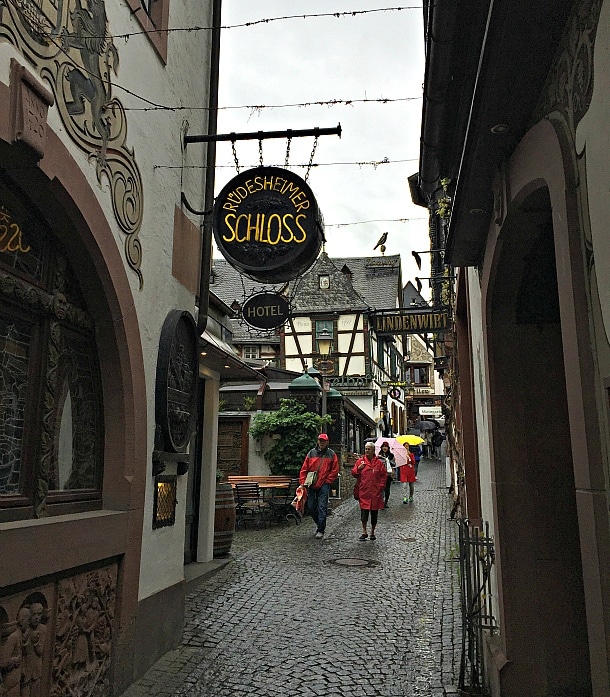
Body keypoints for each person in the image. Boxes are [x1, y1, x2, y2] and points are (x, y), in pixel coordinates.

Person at [299, 433, 339, 539]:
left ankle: (320, 529)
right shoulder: (311, 453)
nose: (321, 442)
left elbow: (335, 470)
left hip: (324, 484)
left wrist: (328, 481)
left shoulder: (331, 454)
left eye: (323, 441)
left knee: (322, 507)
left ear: (327, 442)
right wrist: (303, 482)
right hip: (312, 484)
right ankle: (319, 524)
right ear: (318, 441)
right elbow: (304, 468)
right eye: (320, 440)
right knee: (311, 506)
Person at [351, 442, 387, 541]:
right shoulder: (360, 462)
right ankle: (364, 531)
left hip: (375, 492)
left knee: (374, 513)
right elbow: (354, 473)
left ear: (373, 450)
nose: (366, 451)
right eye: (366, 449)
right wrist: (358, 469)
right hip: (364, 491)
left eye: (368, 449)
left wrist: (381, 486)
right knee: (364, 512)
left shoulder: (379, 463)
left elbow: (384, 475)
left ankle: (372, 532)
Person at [378, 441, 396, 508]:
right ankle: (381, 502)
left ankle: (386, 502)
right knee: (381, 488)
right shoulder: (379, 455)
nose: (384, 448)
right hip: (381, 475)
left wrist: (388, 461)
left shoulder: (391, 455)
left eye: (385, 447)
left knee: (387, 489)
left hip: (389, 474)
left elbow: (394, 464)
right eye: (383, 447)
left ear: (388, 448)